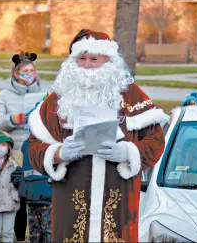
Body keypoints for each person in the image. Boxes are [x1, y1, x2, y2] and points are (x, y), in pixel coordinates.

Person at [27, 29, 169, 242]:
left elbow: (156, 141)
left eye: (94, 59)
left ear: (109, 61)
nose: (87, 65)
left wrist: (128, 152)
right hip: (70, 207)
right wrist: (58, 153)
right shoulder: (58, 100)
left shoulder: (131, 95)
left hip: (119, 207)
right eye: (81, 58)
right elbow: (34, 146)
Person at [0, 51, 47, 242]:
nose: (30, 73)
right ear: (16, 73)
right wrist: (12, 119)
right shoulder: (5, 95)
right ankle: (16, 235)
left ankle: (36, 234)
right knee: (16, 198)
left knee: (33, 197)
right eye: (25, 71)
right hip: (13, 154)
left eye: (32, 70)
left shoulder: (43, 94)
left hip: (35, 153)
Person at [12, 138, 52, 243]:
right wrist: (21, 184)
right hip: (30, 199)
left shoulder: (52, 141)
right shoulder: (26, 144)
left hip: (47, 200)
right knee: (34, 235)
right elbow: (18, 167)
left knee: (48, 235)